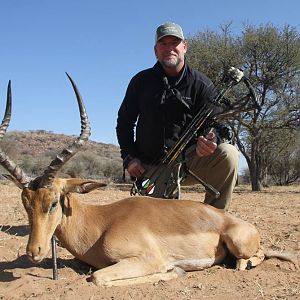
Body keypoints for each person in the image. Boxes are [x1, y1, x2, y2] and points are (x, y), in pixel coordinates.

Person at [116, 22, 239, 210]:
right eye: (163, 44)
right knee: (154, 218)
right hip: (150, 169)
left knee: (228, 154)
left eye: (174, 43)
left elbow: (218, 124)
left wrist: (213, 139)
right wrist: (129, 158)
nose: (169, 48)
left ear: (185, 47)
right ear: (155, 50)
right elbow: (124, 124)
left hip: (188, 164)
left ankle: (217, 219)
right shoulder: (140, 81)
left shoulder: (202, 85)